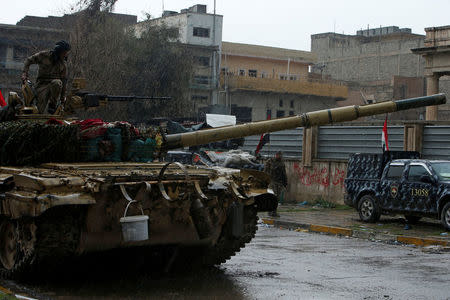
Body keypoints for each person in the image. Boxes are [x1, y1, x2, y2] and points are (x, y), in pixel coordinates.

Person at [21, 40, 71, 114]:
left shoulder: (63, 65)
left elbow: (63, 82)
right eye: (64, 52)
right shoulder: (44, 55)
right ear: (59, 51)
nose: (65, 55)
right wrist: (24, 73)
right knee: (39, 111)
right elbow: (28, 60)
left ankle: (52, 105)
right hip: (41, 85)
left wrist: (62, 99)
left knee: (57, 83)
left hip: (54, 85)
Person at [264, 151, 288, 217]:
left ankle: (274, 212)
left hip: (279, 182)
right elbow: (265, 171)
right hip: (272, 181)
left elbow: (284, 173)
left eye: (280, 155)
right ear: (276, 155)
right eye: (278, 155)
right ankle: (270, 211)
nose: (279, 156)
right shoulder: (270, 161)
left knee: (277, 198)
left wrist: (285, 182)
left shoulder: (282, 163)